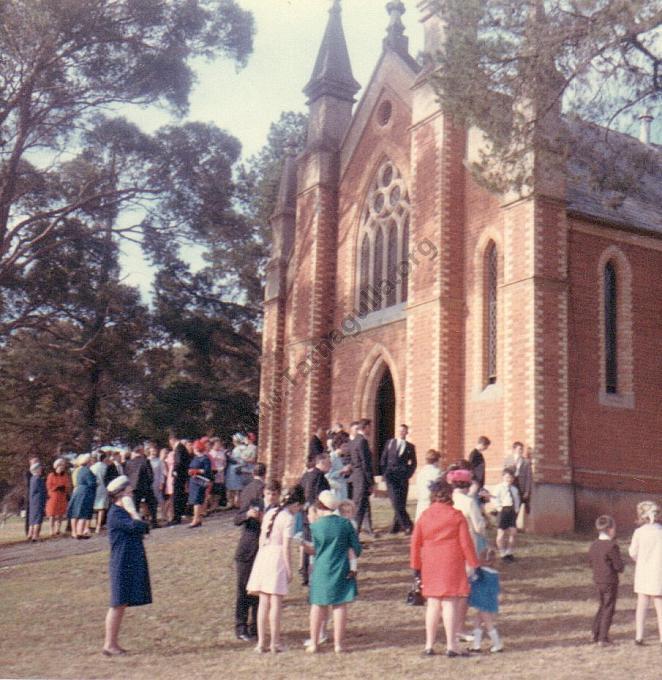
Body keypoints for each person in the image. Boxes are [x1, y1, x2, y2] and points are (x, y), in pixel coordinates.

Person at [410, 478, 479, 657]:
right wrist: (474, 563)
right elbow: (466, 543)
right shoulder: (456, 516)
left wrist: (415, 566)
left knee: (433, 604)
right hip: (451, 560)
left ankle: (429, 645)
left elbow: (415, 543)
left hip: (431, 561)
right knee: (450, 603)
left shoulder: (424, 515)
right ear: (449, 495)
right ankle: (451, 645)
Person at [246, 484, 305, 654]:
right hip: (277, 557)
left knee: (264, 601)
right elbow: (286, 546)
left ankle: (261, 643)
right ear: (295, 505)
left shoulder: (270, 513)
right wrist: (289, 568)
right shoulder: (288, 518)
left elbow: (261, 539)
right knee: (276, 602)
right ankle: (275, 642)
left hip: (264, 555)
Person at [305, 490, 362, 654]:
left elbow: (315, 549)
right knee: (339, 605)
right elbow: (356, 548)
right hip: (341, 566)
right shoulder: (345, 524)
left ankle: (314, 643)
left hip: (321, 567)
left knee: (318, 605)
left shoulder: (315, 526)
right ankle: (339, 644)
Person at [103, 475, 152, 656]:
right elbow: (138, 527)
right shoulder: (116, 514)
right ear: (121, 494)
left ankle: (112, 643)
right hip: (121, 562)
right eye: (128, 492)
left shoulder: (121, 513)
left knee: (121, 603)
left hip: (130, 559)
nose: (131, 496)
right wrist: (134, 513)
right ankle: (109, 644)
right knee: (117, 603)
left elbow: (145, 527)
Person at [234, 465, 272, 642]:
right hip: (250, 545)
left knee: (257, 589)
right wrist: (249, 515)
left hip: (260, 547)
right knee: (245, 589)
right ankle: (243, 626)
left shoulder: (248, 488)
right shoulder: (254, 490)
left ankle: (253, 626)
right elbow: (238, 518)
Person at [628, 501, 662, 646]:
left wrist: (640, 561)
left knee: (641, 605)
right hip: (658, 571)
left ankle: (639, 636)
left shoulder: (639, 532)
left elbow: (632, 552)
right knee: (660, 605)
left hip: (643, 572)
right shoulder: (661, 532)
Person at [588, 515, 624, 646]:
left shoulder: (594, 545)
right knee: (609, 608)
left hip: (598, 580)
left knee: (602, 606)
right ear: (609, 529)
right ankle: (603, 637)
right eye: (614, 528)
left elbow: (590, 563)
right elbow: (619, 566)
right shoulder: (611, 546)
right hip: (610, 581)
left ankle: (594, 633)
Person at [299, 452, 332, 585]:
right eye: (328, 463)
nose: (330, 466)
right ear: (322, 463)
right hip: (315, 514)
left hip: (306, 514)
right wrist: (315, 511)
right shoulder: (318, 476)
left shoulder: (307, 474)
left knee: (308, 544)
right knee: (316, 544)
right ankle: (314, 574)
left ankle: (306, 575)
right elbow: (314, 496)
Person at [380, 424, 417, 534]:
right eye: (400, 430)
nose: (401, 433)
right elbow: (383, 459)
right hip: (390, 476)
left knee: (401, 502)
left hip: (402, 478)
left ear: (407, 433)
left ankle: (395, 527)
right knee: (395, 501)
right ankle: (408, 525)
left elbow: (413, 463)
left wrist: (408, 474)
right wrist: (384, 473)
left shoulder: (410, 446)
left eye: (404, 431)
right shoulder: (390, 443)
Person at [468, 548, 503, 653]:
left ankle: (497, 644)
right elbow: (496, 589)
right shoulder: (495, 574)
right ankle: (476, 645)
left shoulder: (479, 573)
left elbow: (470, 581)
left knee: (488, 623)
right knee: (477, 620)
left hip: (481, 601)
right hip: (490, 601)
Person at [348, 418, 375, 537]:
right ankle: (353, 536)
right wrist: (371, 482)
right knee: (359, 508)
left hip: (357, 477)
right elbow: (365, 463)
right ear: (366, 427)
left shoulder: (354, 441)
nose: (371, 429)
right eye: (370, 427)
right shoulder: (362, 441)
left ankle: (355, 535)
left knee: (359, 507)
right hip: (362, 478)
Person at [125, 447, 158, 529]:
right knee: (152, 504)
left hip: (133, 487)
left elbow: (126, 475)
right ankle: (153, 521)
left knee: (135, 507)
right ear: (140, 452)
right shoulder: (145, 461)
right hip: (145, 486)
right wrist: (149, 483)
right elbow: (150, 475)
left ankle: (135, 523)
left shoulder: (129, 462)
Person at [493, 467, 521, 561]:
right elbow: (494, 498)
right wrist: (499, 508)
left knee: (513, 532)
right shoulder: (499, 487)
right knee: (501, 533)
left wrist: (516, 509)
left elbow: (517, 500)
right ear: (503, 477)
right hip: (503, 510)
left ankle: (509, 552)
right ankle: (502, 553)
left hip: (512, 511)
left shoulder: (514, 489)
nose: (509, 479)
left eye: (511, 477)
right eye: (507, 477)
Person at [67, 454, 97, 539]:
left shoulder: (79, 470)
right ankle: (80, 531)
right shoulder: (87, 471)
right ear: (88, 462)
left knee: (75, 512)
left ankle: (75, 532)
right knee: (83, 512)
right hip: (85, 492)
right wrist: (96, 482)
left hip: (78, 491)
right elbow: (91, 483)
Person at [504, 441, 532, 528]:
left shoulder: (526, 462)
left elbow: (528, 477)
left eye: (522, 449)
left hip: (520, 485)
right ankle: (506, 523)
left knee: (518, 503)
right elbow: (504, 472)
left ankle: (513, 523)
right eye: (519, 449)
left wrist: (527, 491)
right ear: (514, 449)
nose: (521, 451)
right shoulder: (508, 459)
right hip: (510, 483)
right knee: (509, 502)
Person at [187, 439, 212, 528]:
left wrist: (196, 471)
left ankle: (196, 519)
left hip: (200, 481)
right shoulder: (195, 458)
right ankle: (198, 519)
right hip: (193, 481)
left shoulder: (205, 458)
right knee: (195, 500)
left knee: (197, 500)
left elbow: (207, 470)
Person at [46, 458, 71, 537]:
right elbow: (48, 486)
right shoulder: (51, 475)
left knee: (60, 514)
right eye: (60, 466)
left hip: (62, 496)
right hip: (53, 496)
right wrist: (56, 487)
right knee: (52, 514)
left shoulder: (65, 475)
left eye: (63, 466)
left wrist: (65, 488)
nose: (62, 467)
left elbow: (68, 485)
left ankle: (58, 529)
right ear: (56, 466)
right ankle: (51, 530)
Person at [169, 434, 191, 525]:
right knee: (180, 496)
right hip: (183, 475)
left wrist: (175, 471)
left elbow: (178, 462)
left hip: (179, 476)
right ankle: (179, 515)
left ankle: (176, 517)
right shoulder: (182, 448)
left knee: (177, 496)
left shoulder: (179, 448)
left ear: (172, 440)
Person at [415, 450, 442, 521]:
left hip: (421, 502)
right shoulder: (437, 472)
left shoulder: (421, 472)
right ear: (437, 461)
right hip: (432, 502)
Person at [326, 432, 352, 501]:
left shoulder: (340, 458)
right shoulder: (332, 458)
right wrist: (342, 471)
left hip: (342, 490)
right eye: (345, 446)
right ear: (339, 446)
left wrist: (346, 473)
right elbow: (328, 476)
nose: (347, 448)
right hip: (335, 492)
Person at [226, 434, 248, 509]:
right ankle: (237, 502)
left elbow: (235, 459)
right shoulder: (245, 448)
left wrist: (229, 456)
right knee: (239, 487)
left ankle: (234, 503)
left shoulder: (237, 449)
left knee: (234, 487)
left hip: (234, 469)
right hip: (242, 468)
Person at [27, 462, 47, 542]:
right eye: (40, 468)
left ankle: (30, 533)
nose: (41, 469)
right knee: (38, 518)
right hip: (38, 500)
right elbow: (41, 490)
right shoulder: (38, 479)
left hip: (33, 500)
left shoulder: (32, 478)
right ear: (36, 469)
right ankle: (35, 535)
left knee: (32, 517)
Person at [90, 452, 109, 534]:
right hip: (103, 488)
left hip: (94, 488)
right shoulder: (106, 467)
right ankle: (98, 526)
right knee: (101, 508)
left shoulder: (92, 467)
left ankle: (90, 525)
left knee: (94, 507)